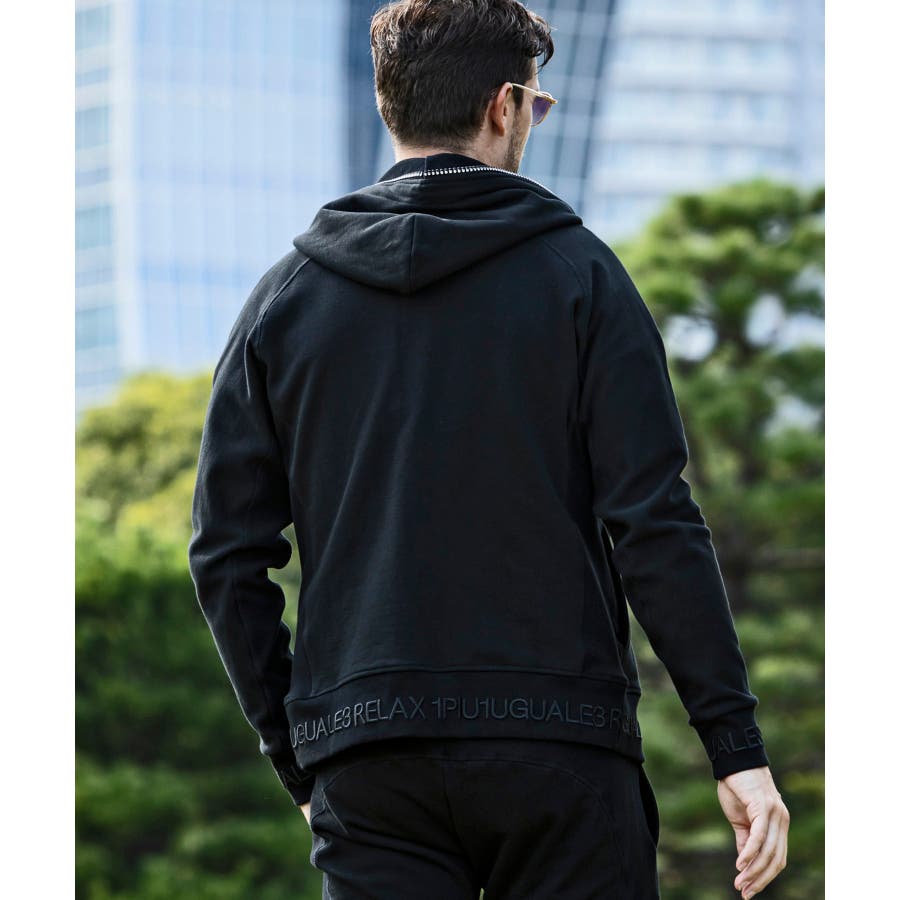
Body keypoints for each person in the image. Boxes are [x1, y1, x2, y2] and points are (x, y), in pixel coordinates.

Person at [187, 1, 790, 897]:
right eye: (537, 105)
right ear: (503, 106)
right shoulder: (583, 277)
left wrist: (299, 752)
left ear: (391, 104)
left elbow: (226, 554)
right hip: (560, 748)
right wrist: (734, 747)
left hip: (369, 760)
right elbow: (655, 524)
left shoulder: (286, 299)